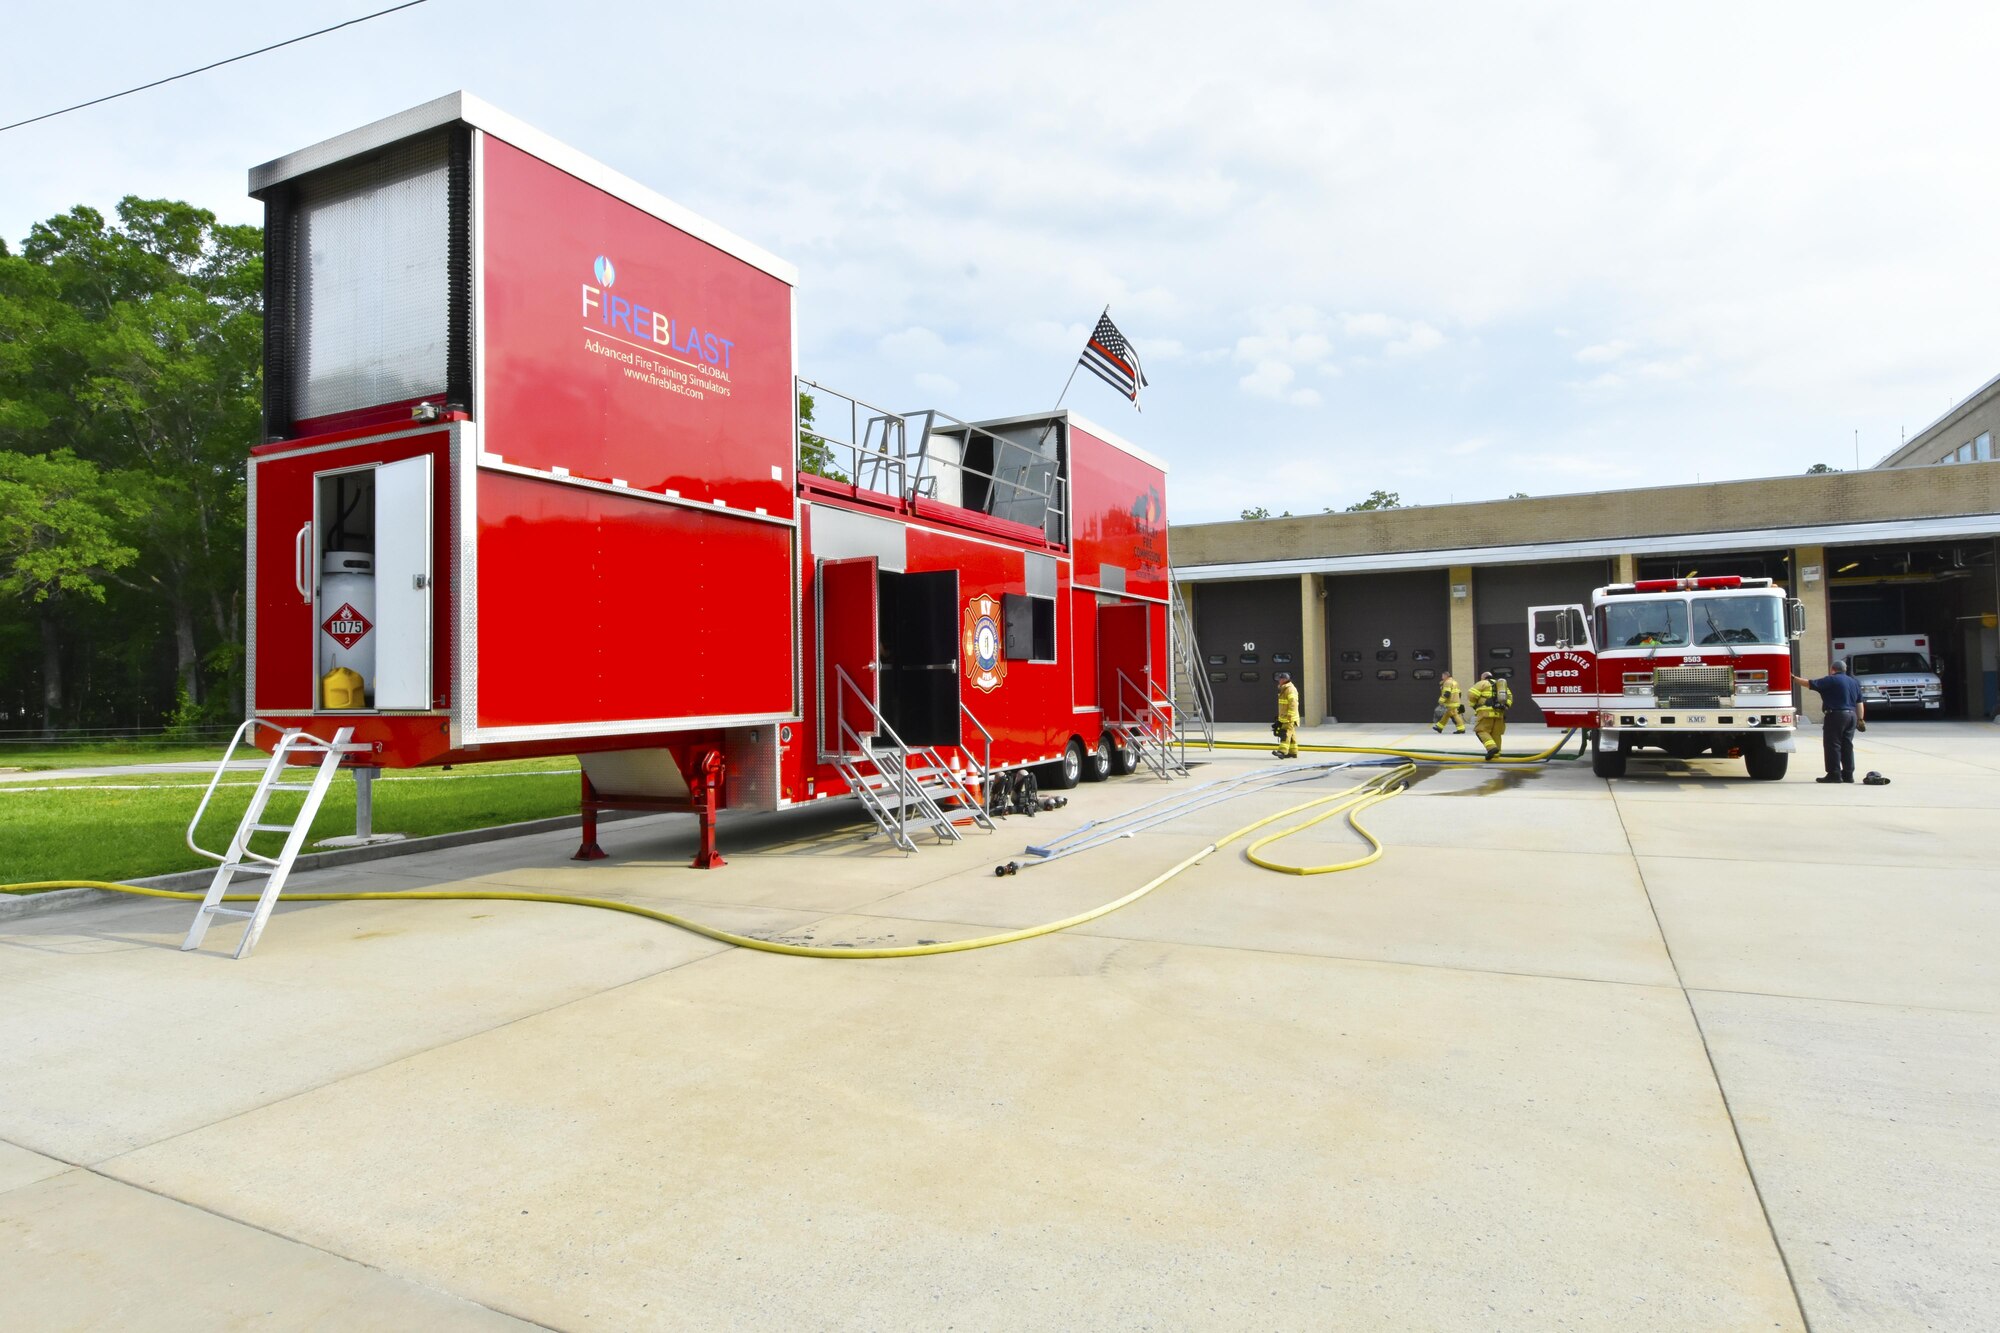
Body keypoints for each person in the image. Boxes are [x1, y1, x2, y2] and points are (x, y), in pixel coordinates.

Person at [1804, 660, 1865, 783]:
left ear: (1833, 669)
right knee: (1847, 745)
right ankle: (1848, 774)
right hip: (1852, 716)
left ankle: (1834, 774)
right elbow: (1859, 703)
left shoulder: (1831, 680)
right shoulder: (1854, 682)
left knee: (1833, 745)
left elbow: (1810, 684)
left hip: (1836, 716)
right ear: (1845, 669)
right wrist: (1860, 719)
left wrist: (1793, 678)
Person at [1468, 670, 1511, 760]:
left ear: (1483, 677)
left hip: (1485, 713)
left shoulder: (1482, 683)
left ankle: (1491, 748)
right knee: (1496, 734)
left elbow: (1471, 695)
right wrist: (1506, 706)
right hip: (1499, 714)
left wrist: (1474, 705)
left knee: (1481, 731)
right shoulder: (1501, 686)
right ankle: (1496, 755)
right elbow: (1509, 697)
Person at [1272, 672, 1300, 759]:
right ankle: (1293, 752)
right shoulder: (1284, 689)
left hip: (1289, 718)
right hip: (1285, 717)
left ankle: (1282, 752)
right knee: (1291, 735)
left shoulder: (1290, 689)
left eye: (1279, 680)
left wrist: (1290, 716)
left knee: (1285, 734)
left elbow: (1293, 704)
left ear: (1284, 680)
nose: (1278, 681)